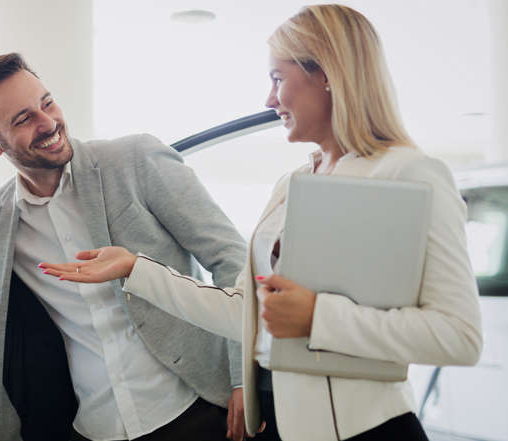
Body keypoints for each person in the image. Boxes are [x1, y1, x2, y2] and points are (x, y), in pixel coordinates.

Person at [40, 5, 483, 441]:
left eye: (277, 79)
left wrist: (317, 317)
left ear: (326, 74)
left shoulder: (411, 174)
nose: (269, 100)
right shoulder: (292, 184)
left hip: (370, 430)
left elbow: (458, 336)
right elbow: (247, 313)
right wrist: (134, 268)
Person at [0, 53, 248, 441]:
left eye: (47, 103)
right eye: (24, 119)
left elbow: (231, 259)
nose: (48, 123)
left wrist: (241, 378)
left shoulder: (135, 160)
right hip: (95, 427)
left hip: (197, 407)